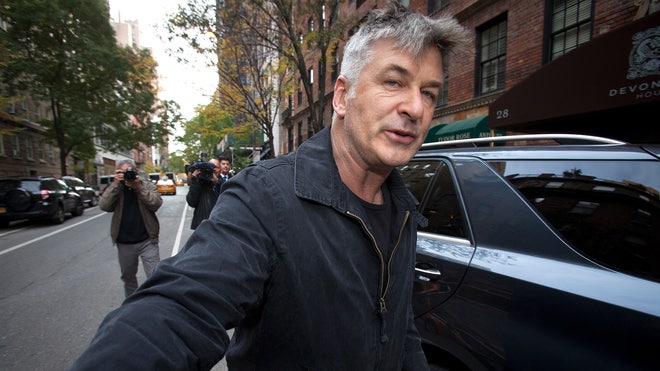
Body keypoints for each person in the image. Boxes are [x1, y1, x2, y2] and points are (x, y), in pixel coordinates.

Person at [69, 3, 469, 369]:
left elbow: (402, 333)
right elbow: (178, 308)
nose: (415, 107)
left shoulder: (403, 210)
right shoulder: (265, 199)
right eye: (394, 82)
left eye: (429, 93)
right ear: (343, 97)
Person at [98, 159, 163, 298]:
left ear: (136, 171)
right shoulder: (116, 188)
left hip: (147, 240)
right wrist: (115, 184)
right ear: (117, 173)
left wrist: (138, 187)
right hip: (125, 242)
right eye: (122, 172)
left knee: (155, 276)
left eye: (129, 171)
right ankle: (132, 305)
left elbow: (155, 203)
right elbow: (104, 206)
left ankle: (156, 305)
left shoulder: (146, 185)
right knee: (128, 277)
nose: (127, 174)